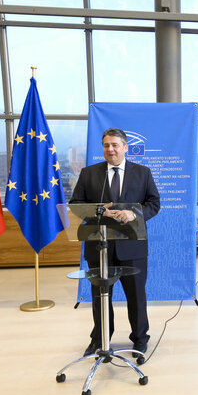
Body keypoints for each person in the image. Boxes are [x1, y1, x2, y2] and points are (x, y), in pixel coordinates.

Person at [70, 128, 160, 357]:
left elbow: (154, 203)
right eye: (106, 145)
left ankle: (140, 339)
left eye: (115, 145)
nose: (110, 149)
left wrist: (134, 214)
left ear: (125, 147)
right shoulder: (89, 174)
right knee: (100, 296)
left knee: (136, 296)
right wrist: (100, 212)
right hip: (98, 247)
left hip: (133, 245)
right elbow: (77, 204)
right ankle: (99, 339)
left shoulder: (143, 173)